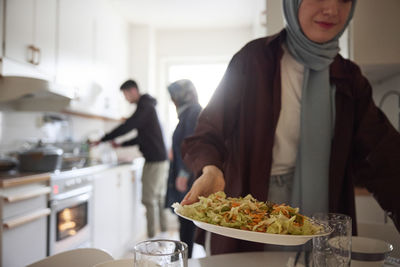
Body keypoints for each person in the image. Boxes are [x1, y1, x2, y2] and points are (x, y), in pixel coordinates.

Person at [180, 0, 400, 255]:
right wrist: (211, 170)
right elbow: (207, 133)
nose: (332, 10)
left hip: (322, 212)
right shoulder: (253, 60)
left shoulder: (350, 78)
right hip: (250, 214)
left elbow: (385, 158)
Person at [95, 79, 169, 238]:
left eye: (125, 95)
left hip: (154, 160)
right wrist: (120, 144)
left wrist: (104, 139)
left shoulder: (145, 106)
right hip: (160, 159)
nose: (126, 99)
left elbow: (128, 125)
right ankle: (163, 234)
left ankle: (152, 239)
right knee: (158, 197)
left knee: (149, 199)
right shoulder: (148, 106)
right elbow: (141, 138)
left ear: (133, 91)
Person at [165, 79, 202, 258]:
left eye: (173, 97)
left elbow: (191, 144)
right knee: (185, 217)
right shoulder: (188, 113)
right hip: (186, 172)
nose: (172, 101)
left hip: (187, 174)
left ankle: (182, 258)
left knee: (186, 216)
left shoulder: (193, 112)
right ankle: (181, 256)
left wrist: (183, 173)